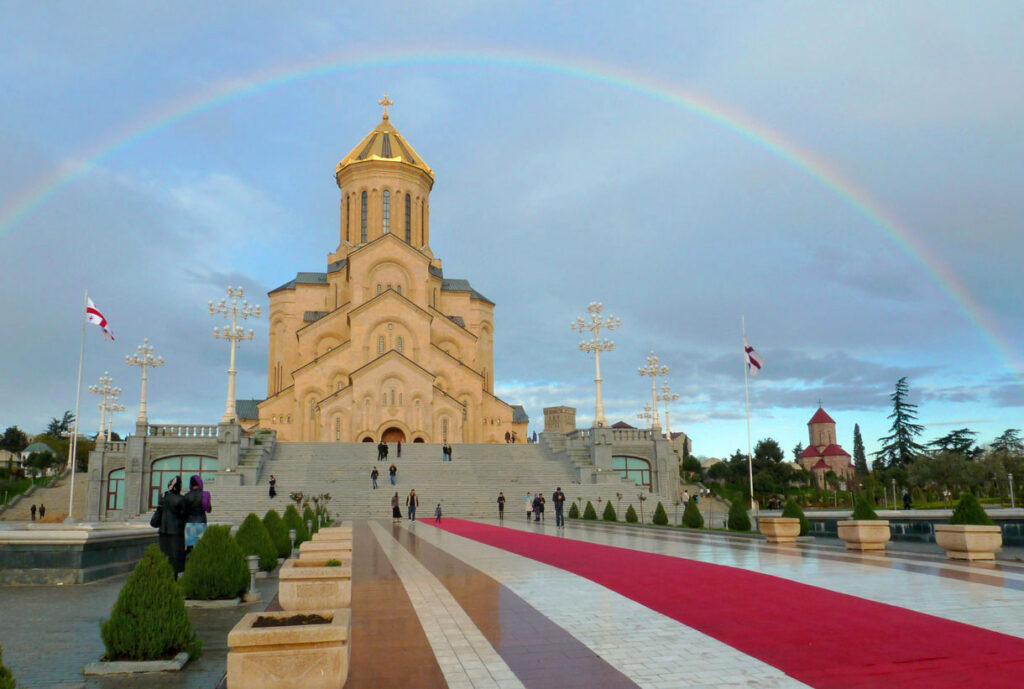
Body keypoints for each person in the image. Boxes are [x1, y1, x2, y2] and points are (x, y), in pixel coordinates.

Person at [158, 476, 186, 576]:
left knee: (165, 554)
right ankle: (173, 577)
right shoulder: (181, 499)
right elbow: (184, 515)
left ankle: (165, 575)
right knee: (175, 556)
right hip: (176, 531)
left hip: (163, 530)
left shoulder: (162, 496)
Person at [183, 474, 211, 552]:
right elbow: (209, 509)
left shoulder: (187, 496)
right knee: (201, 546)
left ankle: (190, 561)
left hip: (190, 522)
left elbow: (184, 511)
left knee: (190, 546)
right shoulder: (205, 495)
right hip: (201, 521)